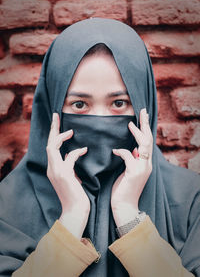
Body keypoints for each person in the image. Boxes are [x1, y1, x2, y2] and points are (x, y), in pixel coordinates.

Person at [0, 18, 199, 277]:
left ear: (143, 104)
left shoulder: (192, 200)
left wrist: (129, 216)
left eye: (119, 103)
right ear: (52, 109)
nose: (100, 120)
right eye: (79, 105)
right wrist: (71, 218)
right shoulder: (6, 206)